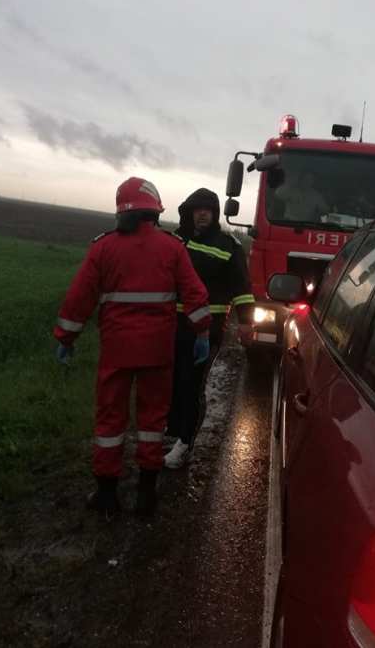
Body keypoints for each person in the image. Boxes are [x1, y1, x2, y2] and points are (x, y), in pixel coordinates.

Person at [53, 177, 211, 519]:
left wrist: (66, 338)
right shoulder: (172, 248)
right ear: (153, 210)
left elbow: (78, 299)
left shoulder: (103, 248)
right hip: (158, 351)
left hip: (117, 351)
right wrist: (202, 333)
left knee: (110, 418)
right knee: (152, 420)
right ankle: (146, 495)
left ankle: (107, 495)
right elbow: (196, 295)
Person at [165, 188, 255, 468]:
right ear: (189, 212)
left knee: (192, 384)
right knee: (169, 383)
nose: (202, 213)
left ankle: (184, 443)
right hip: (170, 326)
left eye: (208, 209)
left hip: (206, 330)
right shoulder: (176, 240)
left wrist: (247, 323)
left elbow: (242, 289)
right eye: (197, 209)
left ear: (215, 214)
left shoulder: (229, 246)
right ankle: (170, 431)